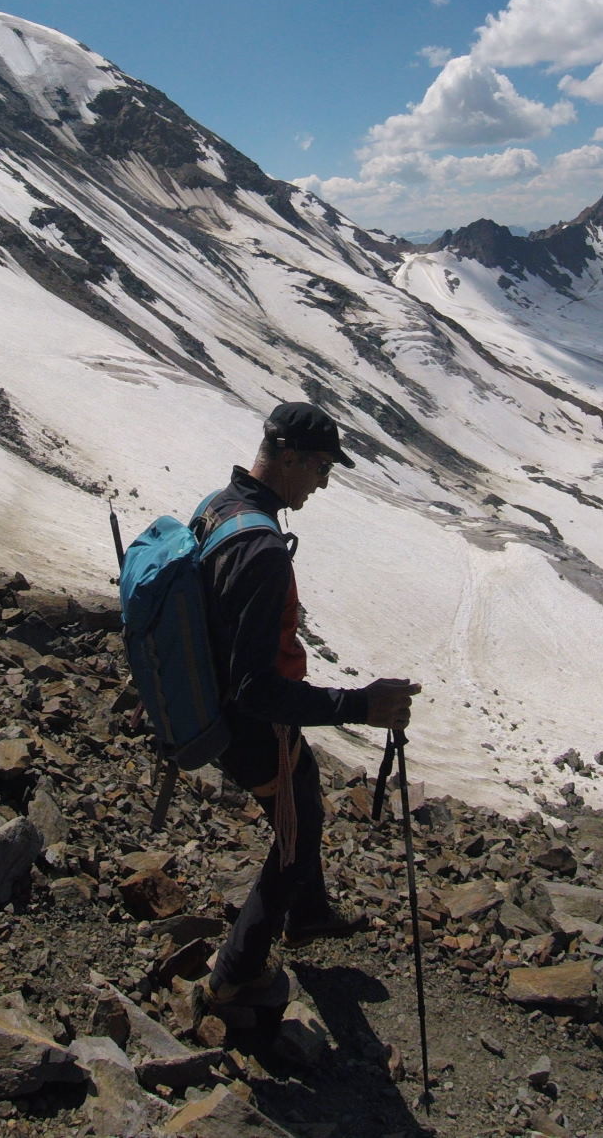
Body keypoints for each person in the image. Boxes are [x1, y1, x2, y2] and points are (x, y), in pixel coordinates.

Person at [196, 401, 419, 1007]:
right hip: (251, 727)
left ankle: (312, 913)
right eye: (321, 466)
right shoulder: (262, 550)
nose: (324, 480)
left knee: (305, 791)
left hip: (217, 702)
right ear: (288, 457)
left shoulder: (221, 506)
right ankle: (235, 976)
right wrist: (360, 704)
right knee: (296, 837)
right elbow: (256, 687)